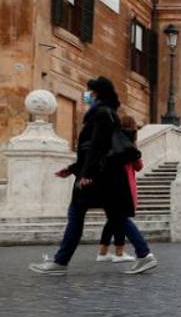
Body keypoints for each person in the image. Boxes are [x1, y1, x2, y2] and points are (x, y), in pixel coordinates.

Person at [31, 77, 158, 275]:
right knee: (116, 217)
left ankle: (60, 262)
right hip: (104, 176)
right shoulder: (107, 113)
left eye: (88, 91)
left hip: (97, 177)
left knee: (77, 215)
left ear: (97, 93)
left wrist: (85, 173)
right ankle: (144, 255)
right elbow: (94, 148)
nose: (86, 94)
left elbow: (97, 146)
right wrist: (73, 169)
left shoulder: (101, 114)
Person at [96, 114, 146, 264]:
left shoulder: (109, 140)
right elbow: (139, 166)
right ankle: (120, 252)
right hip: (123, 187)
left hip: (106, 186)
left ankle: (103, 252)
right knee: (120, 218)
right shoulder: (128, 144)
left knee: (113, 219)